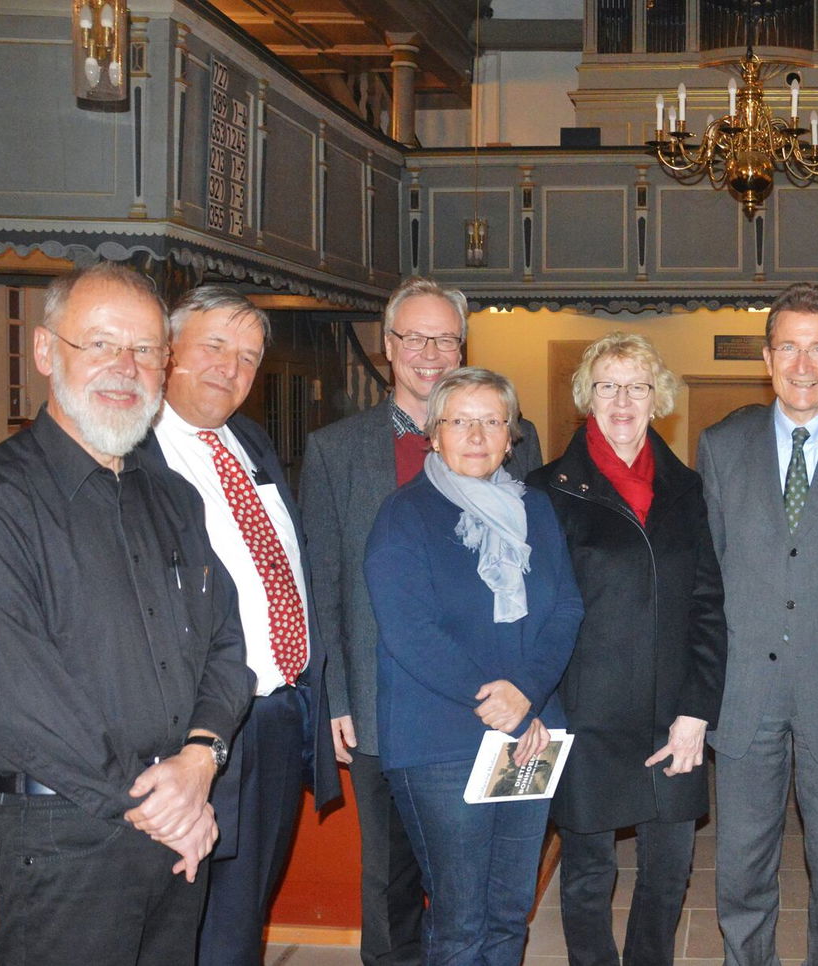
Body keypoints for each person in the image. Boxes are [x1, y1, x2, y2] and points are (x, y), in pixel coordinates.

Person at [0, 261, 253, 965]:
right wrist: (156, 806)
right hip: (64, 834)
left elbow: (227, 641)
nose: (124, 367)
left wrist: (201, 758)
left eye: (144, 351)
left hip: (177, 815)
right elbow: (13, 698)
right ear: (46, 352)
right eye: (100, 344)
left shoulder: (172, 498)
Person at [302, 276, 542, 966]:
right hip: (385, 704)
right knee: (392, 881)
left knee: (489, 887)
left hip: (499, 701)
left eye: (447, 338)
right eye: (416, 337)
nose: (432, 352)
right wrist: (338, 696)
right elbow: (323, 583)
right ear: (388, 348)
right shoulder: (336, 451)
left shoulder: (509, 446)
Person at [141, 285, 341, 965]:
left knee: (240, 911)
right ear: (168, 352)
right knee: (181, 913)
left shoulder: (250, 441)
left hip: (278, 716)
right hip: (190, 727)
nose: (232, 368)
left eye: (249, 357)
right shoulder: (134, 454)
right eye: (216, 346)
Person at [696, 283, 818, 966]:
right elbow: (707, 577)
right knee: (742, 861)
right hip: (744, 690)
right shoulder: (721, 445)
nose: (802, 365)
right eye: (788, 348)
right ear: (767, 358)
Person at [364, 367, 582, 965]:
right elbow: (410, 631)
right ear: (434, 434)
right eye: (460, 420)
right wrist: (503, 704)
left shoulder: (536, 510)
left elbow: (566, 606)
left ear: (511, 435)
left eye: (493, 421)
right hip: (442, 741)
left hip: (529, 734)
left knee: (509, 913)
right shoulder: (403, 515)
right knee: (460, 922)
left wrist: (528, 695)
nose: (477, 434)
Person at [527, 332, 727, 966]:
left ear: (656, 397)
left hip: (674, 717)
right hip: (586, 716)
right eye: (607, 385)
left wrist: (697, 711)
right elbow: (532, 614)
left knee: (668, 874)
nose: (622, 400)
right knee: (587, 877)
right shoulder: (546, 490)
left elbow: (707, 607)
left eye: (636, 386)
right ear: (588, 396)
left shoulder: (687, 488)